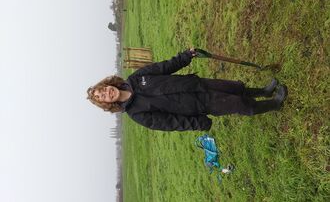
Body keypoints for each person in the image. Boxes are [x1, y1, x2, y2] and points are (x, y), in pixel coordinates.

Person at [87, 49, 288, 131]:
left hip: (195, 85)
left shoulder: (136, 78)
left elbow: (164, 67)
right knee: (238, 105)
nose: (106, 93)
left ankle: (264, 91)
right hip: (198, 104)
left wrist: (186, 56)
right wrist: (198, 123)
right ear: (107, 103)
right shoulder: (136, 113)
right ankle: (275, 104)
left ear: (109, 84)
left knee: (235, 88)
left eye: (103, 90)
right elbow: (170, 123)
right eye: (102, 97)